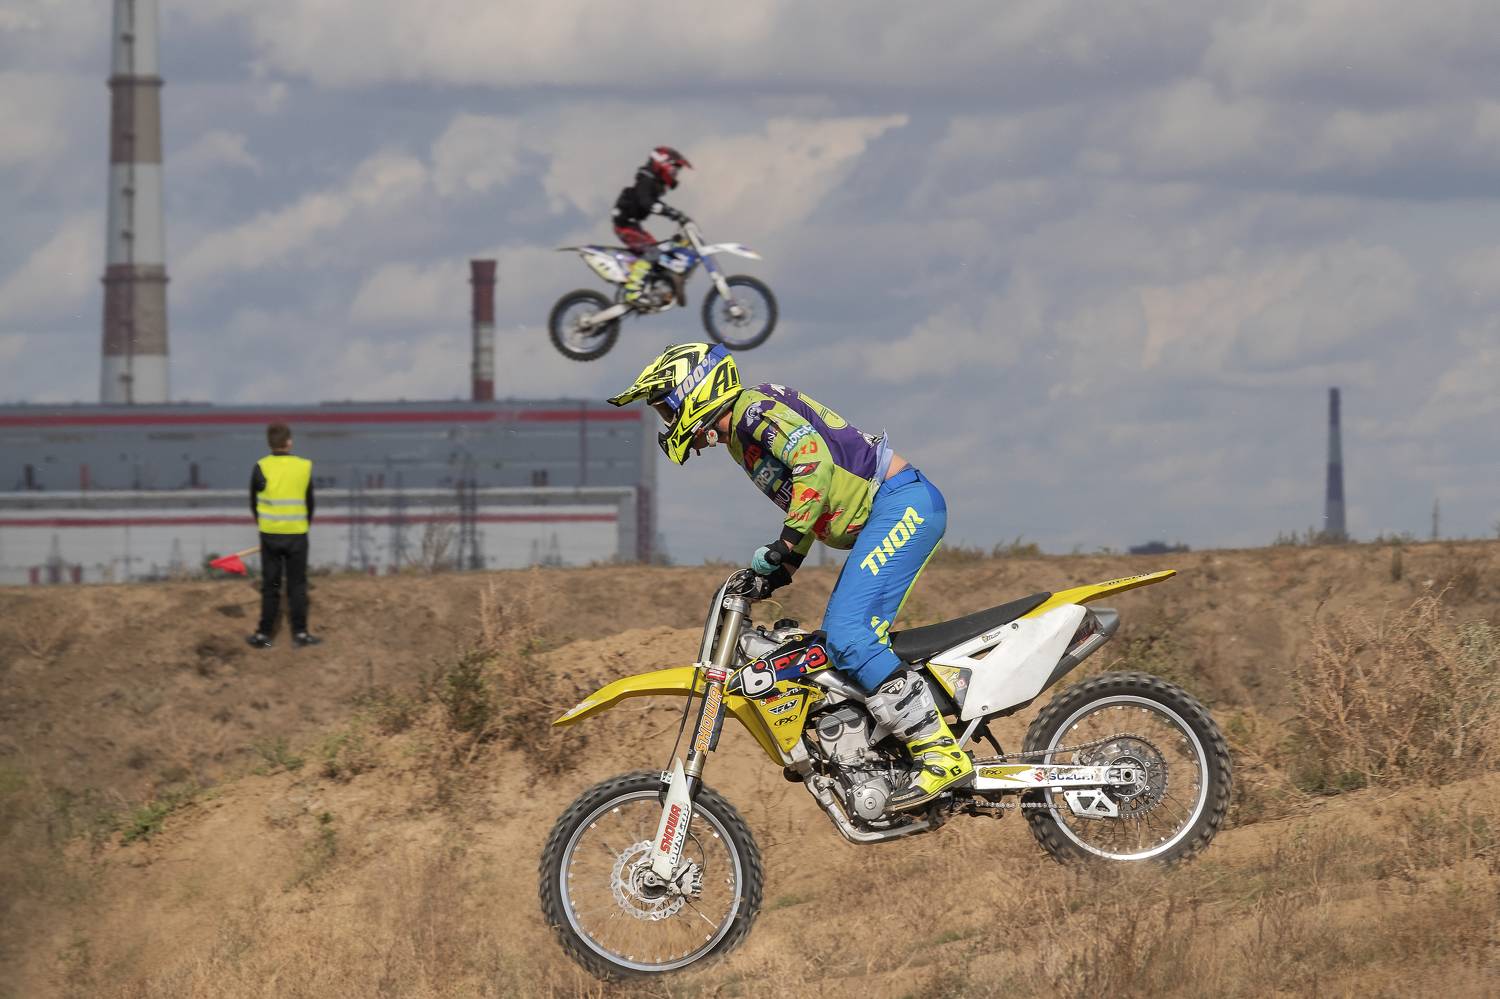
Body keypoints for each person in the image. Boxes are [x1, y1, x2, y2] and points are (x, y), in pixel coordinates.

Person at [608, 343, 972, 812]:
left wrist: (784, 543)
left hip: (902, 502)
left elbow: (813, 467)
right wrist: (782, 567)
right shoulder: (742, 437)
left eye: (666, 407)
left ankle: (939, 752)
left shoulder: (752, 412)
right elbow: (808, 499)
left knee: (849, 635)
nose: (666, 420)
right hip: (891, 508)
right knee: (833, 644)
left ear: (695, 390)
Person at [246, 422, 321, 649]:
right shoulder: (304, 466)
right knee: (297, 585)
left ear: (270, 443)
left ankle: (263, 635)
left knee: (271, 585)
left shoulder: (261, 467)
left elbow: (253, 502)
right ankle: (300, 634)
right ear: (289, 442)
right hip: (297, 534)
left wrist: (264, 525)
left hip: (270, 534)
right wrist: (303, 524)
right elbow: (310, 502)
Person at [611, 146, 692, 305]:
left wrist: (673, 214)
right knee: (653, 252)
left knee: (660, 253)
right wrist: (671, 213)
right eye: (674, 169)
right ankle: (633, 290)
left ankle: (662, 285)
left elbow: (650, 203)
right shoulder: (646, 179)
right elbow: (646, 202)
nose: (675, 174)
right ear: (663, 164)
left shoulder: (652, 180)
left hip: (632, 225)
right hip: (624, 225)